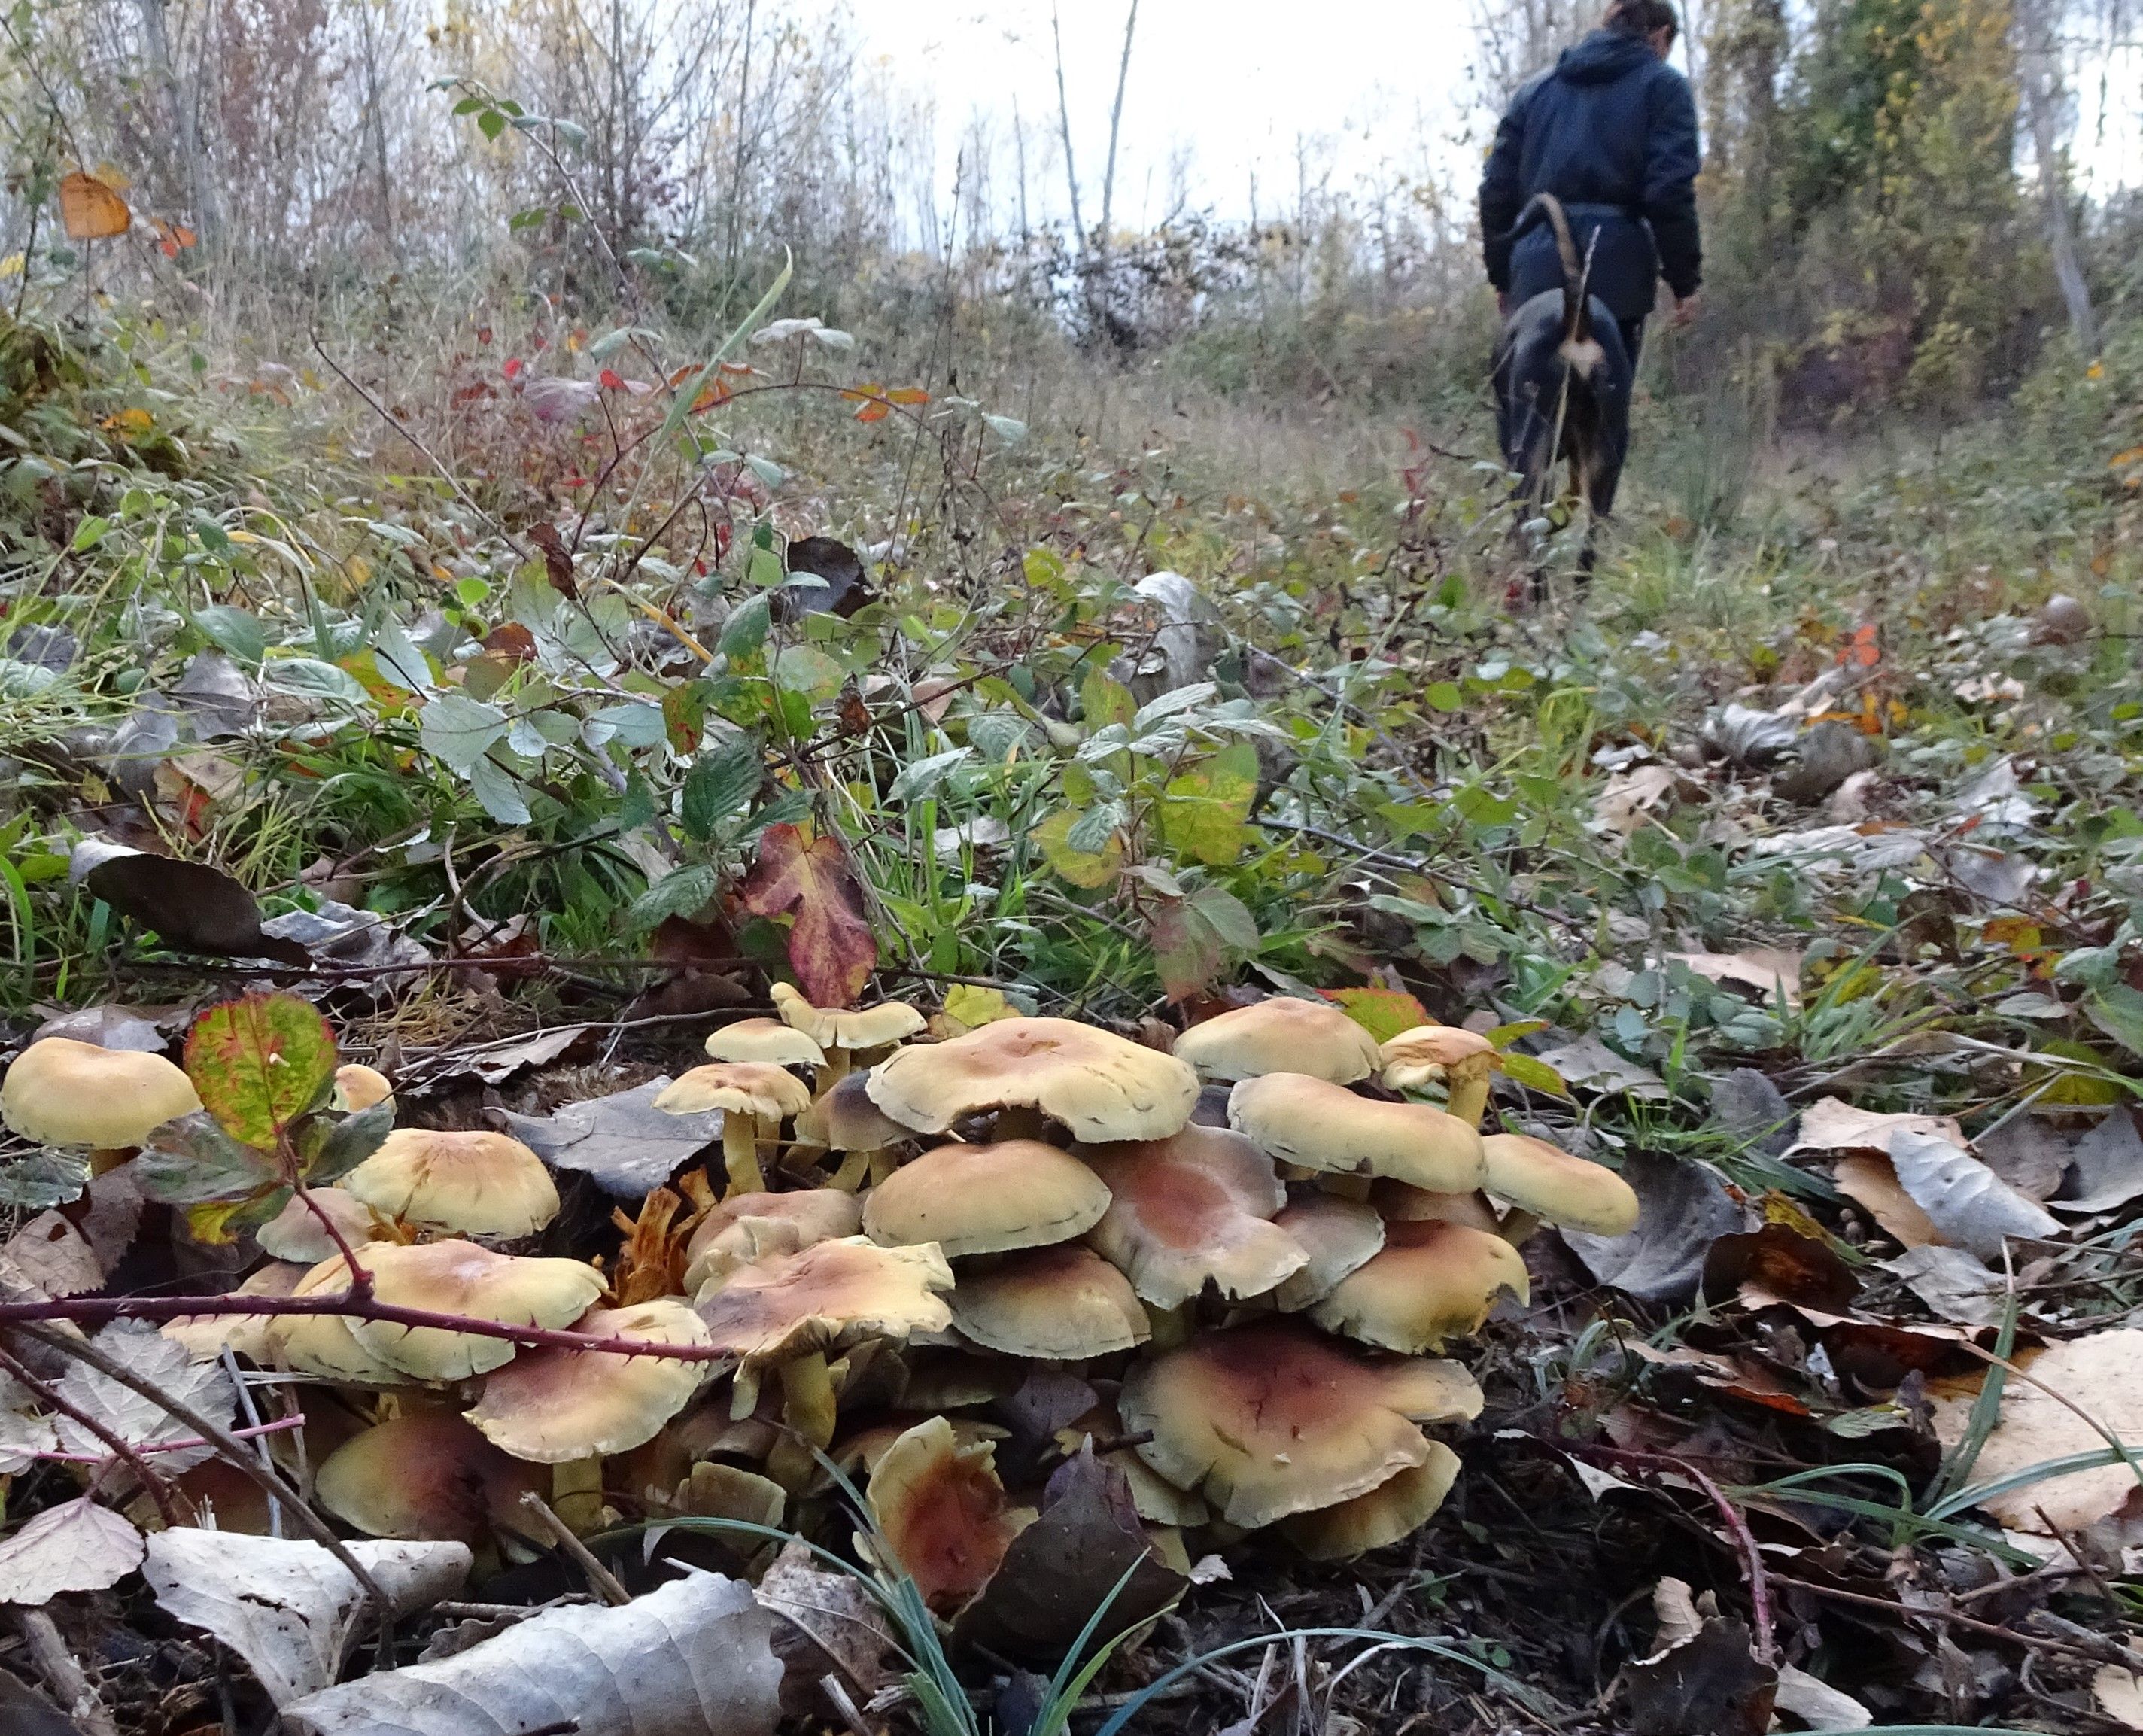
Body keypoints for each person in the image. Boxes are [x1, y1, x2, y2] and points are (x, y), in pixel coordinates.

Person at [1479, 0, 1702, 372]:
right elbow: (1668, 193)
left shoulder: (1534, 92)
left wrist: (1503, 275)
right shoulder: (1665, 88)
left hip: (1535, 273)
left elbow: (1496, 192)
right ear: (1661, 37)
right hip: (1618, 275)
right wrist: (1685, 282)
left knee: (1532, 414)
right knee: (1606, 417)